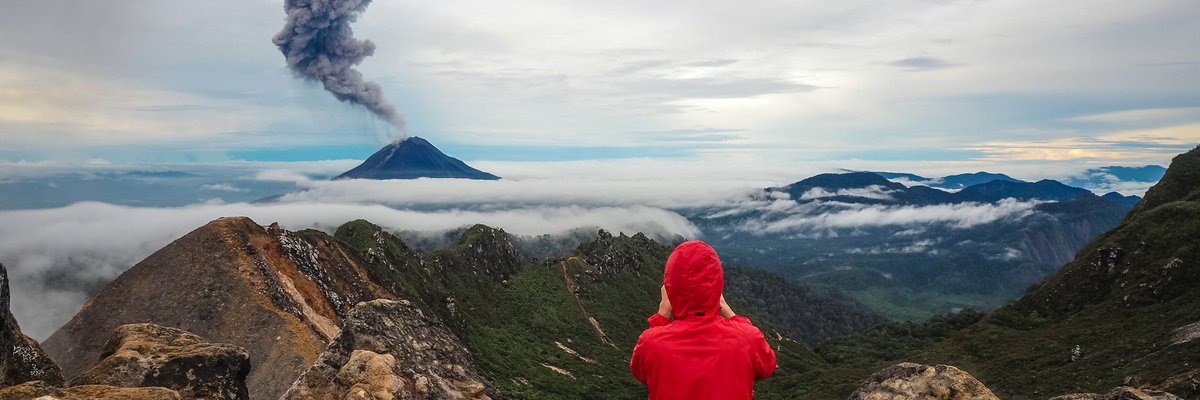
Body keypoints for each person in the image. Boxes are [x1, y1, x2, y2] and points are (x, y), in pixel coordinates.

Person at [630, 240, 777, 399]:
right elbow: (767, 366)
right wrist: (729, 312)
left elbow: (640, 372)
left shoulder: (651, 343)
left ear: (669, 288)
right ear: (718, 283)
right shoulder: (747, 338)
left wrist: (662, 315)